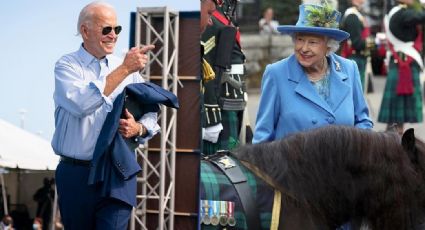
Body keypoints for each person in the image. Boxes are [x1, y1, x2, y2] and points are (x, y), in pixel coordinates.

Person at [52, 2, 158, 229]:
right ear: (85, 31)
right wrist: (124, 70)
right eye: (106, 29)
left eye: (117, 30)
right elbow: (82, 104)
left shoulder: (126, 68)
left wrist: (139, 128)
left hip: (117, 171)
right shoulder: (67, 66)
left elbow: (151, 111)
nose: (113, 36)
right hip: (76, 174)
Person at [253, 1, 373, 143]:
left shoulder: (349, 69)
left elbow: (363, 122)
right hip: (292, 164)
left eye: (312, 42)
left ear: (329, 46)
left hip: (343, 163)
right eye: (300, 39)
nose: (304, 48)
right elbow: (262, 138)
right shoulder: (276, 74)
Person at [201, 0, 250, 155]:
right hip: (220, 102)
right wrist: (211, 117)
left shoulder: (224, 12)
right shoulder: (210, 13)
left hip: (233, 97)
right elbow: (205, 64)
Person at [377, 0, 424, 134]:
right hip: (404, 65)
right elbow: (420, 16)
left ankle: (392, 142)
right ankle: (393, 145)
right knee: (397, 118)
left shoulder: (399, 12)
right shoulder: (401, 14)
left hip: (403, 63)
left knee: (398, 118)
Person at [341, 0, 372, 90]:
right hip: (354, 57)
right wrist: (372, 43)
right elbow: (356, 42)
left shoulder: (357, 14)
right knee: (354, 91)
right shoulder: (352, 16)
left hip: (359, 57)